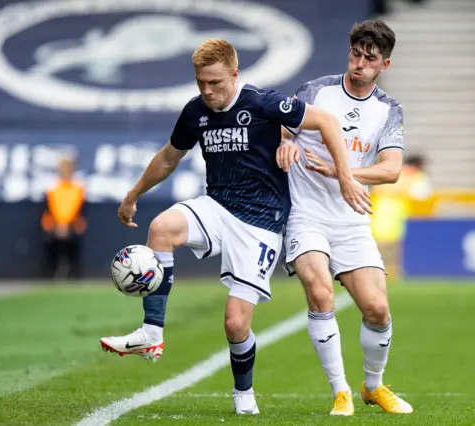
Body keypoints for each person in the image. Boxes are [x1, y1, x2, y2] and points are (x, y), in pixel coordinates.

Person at [99, 38, 371, 415]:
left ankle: (244, 394)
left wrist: (345, 178)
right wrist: (133, 195)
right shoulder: (195, 111)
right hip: (217, 205)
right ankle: (151, 334)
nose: (207, 92)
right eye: (201, 84)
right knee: (162, 228)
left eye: (215, 83)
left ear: (234, 73)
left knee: (235, 323)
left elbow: (325, 121)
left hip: (260, 221)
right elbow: (168, 157)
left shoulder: (261, 102)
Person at [276, 20, 413, 416]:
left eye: (370, 59)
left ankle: (373, 386)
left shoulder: (388, 110)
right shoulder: (315, 91)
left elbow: (391, 169)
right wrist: (285, 145)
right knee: (319, 292)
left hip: (351, 220)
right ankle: (342, 391)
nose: (359, 64)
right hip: (306, 215)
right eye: (355, 54)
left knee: (377, 309)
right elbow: (284, 130)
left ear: (383, 65)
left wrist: (342, 172)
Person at [371, 154, 432, 279]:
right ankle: (390, 272)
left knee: (380, 243)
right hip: (394, 212)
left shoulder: (390, 171)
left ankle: (379, 271)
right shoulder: (415, 176)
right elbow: (422, 194)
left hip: (380, 210)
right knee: (391, 244)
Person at [41, 156, 87, 279]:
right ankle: (52, 271)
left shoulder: (78, 187)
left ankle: (73, 272)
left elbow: (77, 208)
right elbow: (50, 209)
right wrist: (58, 225)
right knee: (50, 240)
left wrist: (68, 224)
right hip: (55, 225)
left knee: (74, 240)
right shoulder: (52, 187)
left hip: (72, 224)